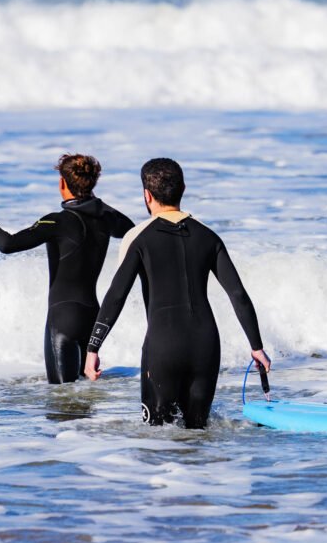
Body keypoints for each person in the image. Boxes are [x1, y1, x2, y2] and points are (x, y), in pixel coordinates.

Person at [83, 158, 271, 428]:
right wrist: (257, 347)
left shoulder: (140, 238)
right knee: (198, 435)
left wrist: (93, 348)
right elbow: (238, 294)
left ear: (147, 195)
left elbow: (116, 296)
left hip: (163, 347)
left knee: (158, 440)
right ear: (183, 188)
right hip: (206, 347)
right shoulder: (209, 236)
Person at [0, 154, 133, 383]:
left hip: (63, 319)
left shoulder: (57, 222)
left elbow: (6, 244)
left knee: (62, 403)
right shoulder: (106, 219)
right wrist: (94, 200)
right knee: (85, 406)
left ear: (62, 183)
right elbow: (131, 231)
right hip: (92, 317)